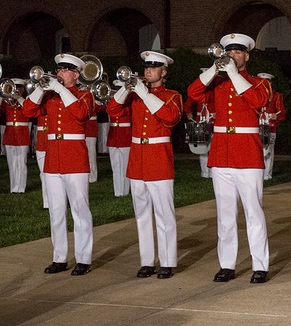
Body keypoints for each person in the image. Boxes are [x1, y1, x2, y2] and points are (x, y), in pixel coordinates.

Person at [187, 33, 272, 284]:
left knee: (253, 212)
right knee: (225, 214)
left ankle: (260, 265)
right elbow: (193, 92)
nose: (232, 56)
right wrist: (215, 68)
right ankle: (227, 264)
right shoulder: (218, 84)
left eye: (237, 52)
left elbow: (258, 101)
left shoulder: (258, 82)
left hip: (247, 154)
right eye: (229, 52)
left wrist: (234, 74)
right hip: (221, 154)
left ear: (246, 56)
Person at [107, 51, 182, 279]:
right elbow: (112, 110)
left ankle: (168, 261)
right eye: (146, 66)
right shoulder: (135, 96)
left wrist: (144, 94)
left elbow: (170, 117)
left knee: (163, 213)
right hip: (138, 160)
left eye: (154, 67)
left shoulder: (172, 95)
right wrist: (126, 88)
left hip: (158, 158)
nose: (148, 70)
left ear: (163, 71)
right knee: (141, 214)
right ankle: (147, 261)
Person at [22, 53, 95, 275]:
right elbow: (27, 111)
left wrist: (61, 89)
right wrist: (42, 89)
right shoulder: (50, 97)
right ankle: (59, 257)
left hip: (74, 159)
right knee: (56, 211)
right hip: (53, 159)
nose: (59, 73)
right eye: (58, 70)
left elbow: (81, 114)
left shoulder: (85, 95)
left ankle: (84, 258)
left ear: (76, 74)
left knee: (80, 209)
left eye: (64, 70)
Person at [0, 79, 32, 193]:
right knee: (11, 162)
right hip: (10, 133)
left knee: (21, 161)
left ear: (23, 88)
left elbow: (28, 109)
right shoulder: (7, 101)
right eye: (14, 86)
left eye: (18, 87)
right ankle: (14, 187)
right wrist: (2, 93)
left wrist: (18, 98)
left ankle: (21, 187)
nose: (16, 89)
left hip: (22, 133)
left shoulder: (26, 100)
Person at [106, 79, 132, 196]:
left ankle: (125, 191)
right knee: (115, 166)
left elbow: (122, 112)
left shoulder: (129, 104)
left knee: (125, 165)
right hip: (113, 136)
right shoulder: (111, 102)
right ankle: (118, 192)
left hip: (125, 136)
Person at [257, 72, 285, 181]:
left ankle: (267, 174)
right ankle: (258, 172)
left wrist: (276, 116)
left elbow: (282, 113)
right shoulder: (255, 95)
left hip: (270, 128)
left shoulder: (276, 96)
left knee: (268, 150)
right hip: (257, 127)